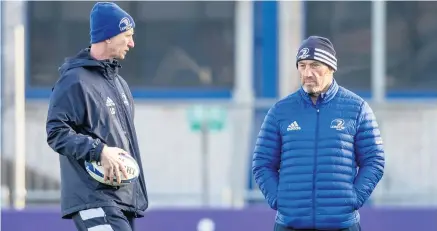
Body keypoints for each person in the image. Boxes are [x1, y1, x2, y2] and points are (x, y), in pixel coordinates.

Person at [252, 36, 385, 231]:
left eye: (315, 65)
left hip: (341, 224)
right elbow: (262, 163)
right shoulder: (280, 111)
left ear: (331, 68)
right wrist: (278, 199)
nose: (307, 73)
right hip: (290, 224)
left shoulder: (357, 108)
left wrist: (353, 198)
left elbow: (374, 160)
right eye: (302, 66)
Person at [46, 2, 147, 231]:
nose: (132, 43)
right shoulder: (74, 81)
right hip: (93, 197)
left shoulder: (120, 84)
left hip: (123, 199)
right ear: (108, 37)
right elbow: (56, 133)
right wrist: (99, 150)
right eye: (127, 36)